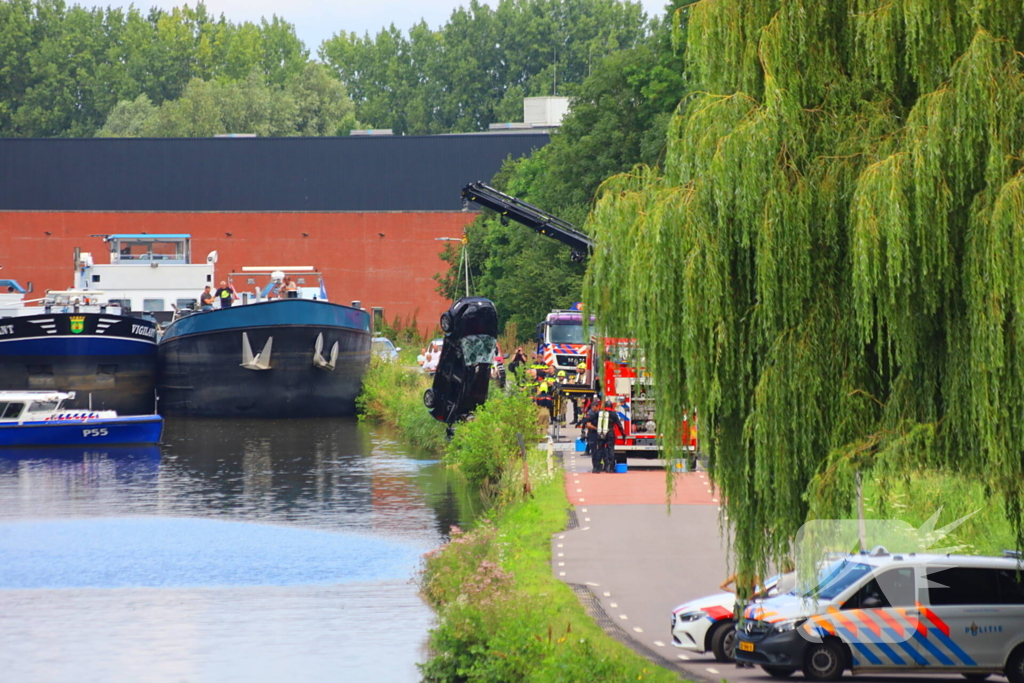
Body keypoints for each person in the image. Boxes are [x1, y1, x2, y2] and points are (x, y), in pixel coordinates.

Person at [584, 398, 623, 473]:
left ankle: (597, 468)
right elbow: (619, 425)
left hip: (601, 434)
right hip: (610, 433)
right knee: (610, 450)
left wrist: (581, 422)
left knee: (599, 450)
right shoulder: (613, 413)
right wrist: (623, 435)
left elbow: (589, 419)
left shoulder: (599, 413)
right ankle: (611, 468)